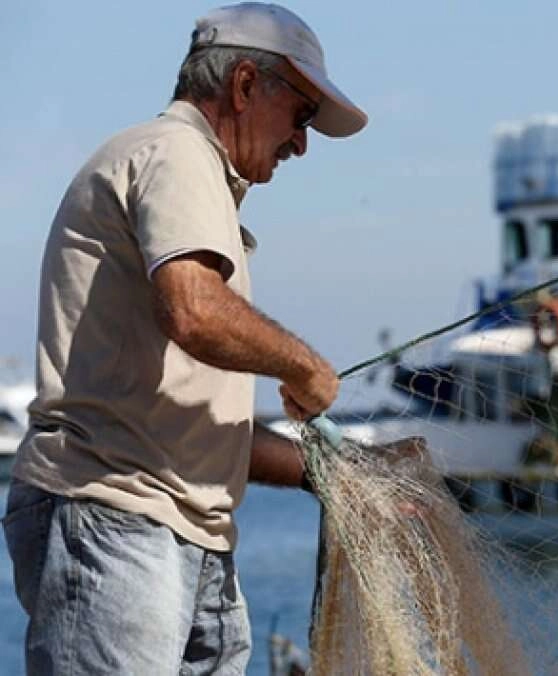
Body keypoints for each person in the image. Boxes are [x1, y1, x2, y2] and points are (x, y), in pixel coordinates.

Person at [3, 3, 367, 673]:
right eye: (304, 115)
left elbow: (207, 432)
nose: (302, 143)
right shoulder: (177, 152)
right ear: (246, 85)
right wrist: (305, 367)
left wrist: (341, 475)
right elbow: (194, 311)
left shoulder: (198, 182)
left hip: (180, 538)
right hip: (117, 521)